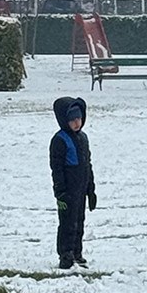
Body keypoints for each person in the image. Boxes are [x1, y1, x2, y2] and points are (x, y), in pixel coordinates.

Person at [49, 95, 97, 270]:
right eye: (72, 120)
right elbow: (57, 168)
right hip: (67, 190)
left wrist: (91, 189)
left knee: (79, 221)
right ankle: (65, 253)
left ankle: (77, 252)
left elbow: (87, 164)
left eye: (79, 118)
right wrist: (60, 192)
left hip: (81, 188)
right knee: (67, 223)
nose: (77, 123)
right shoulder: (60, 140)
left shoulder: (83, 138)